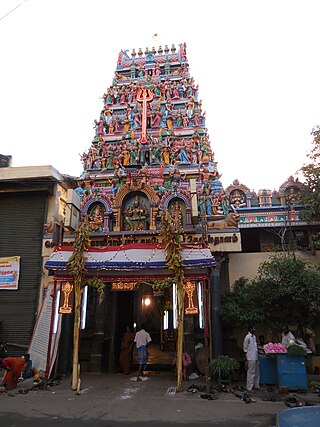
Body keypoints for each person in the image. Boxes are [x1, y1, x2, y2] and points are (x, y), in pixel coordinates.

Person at [243, 324, 260, 391]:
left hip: (255, 356)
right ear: (250, 329)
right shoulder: (247, 337)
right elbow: (245, 348)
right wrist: (246, 357)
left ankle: (256, 385)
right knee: (251, 372)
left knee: (257, 372)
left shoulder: (254, 337)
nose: (255, 330)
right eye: (254, 328)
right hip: (250, 357)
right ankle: (249, 387)